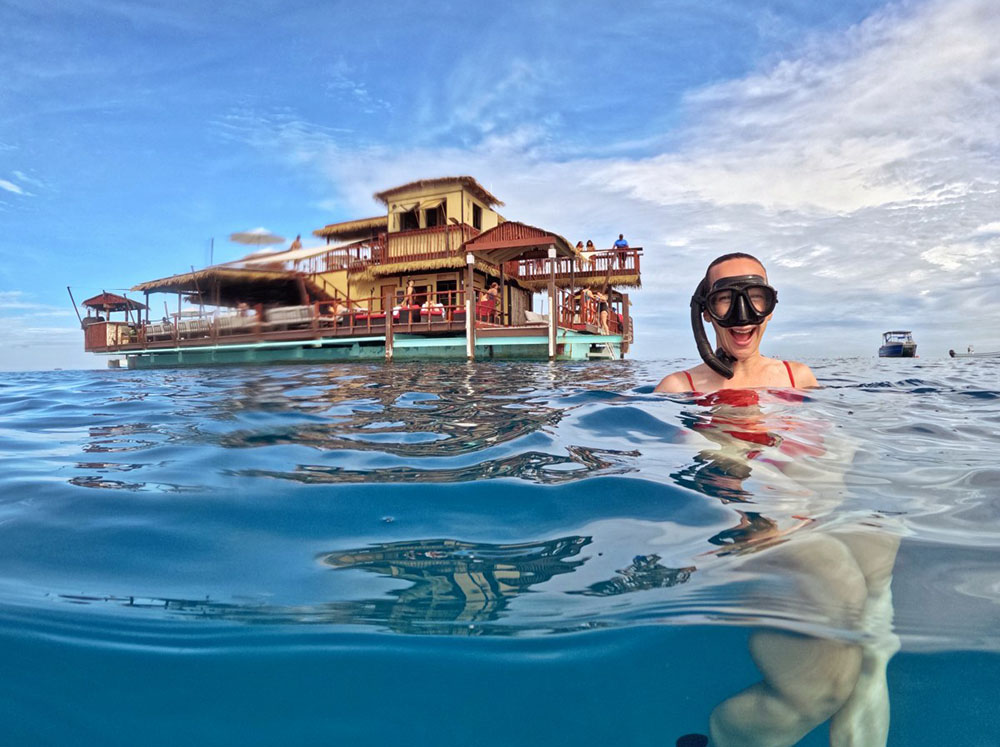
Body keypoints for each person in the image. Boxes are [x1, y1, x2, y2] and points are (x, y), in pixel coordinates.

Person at [656, 252, 817, 393]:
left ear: (770, 310)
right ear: (707, 313)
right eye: (725, 298)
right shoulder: (677, 388)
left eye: (755, 297)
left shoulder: (798, 379)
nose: (742, 317)